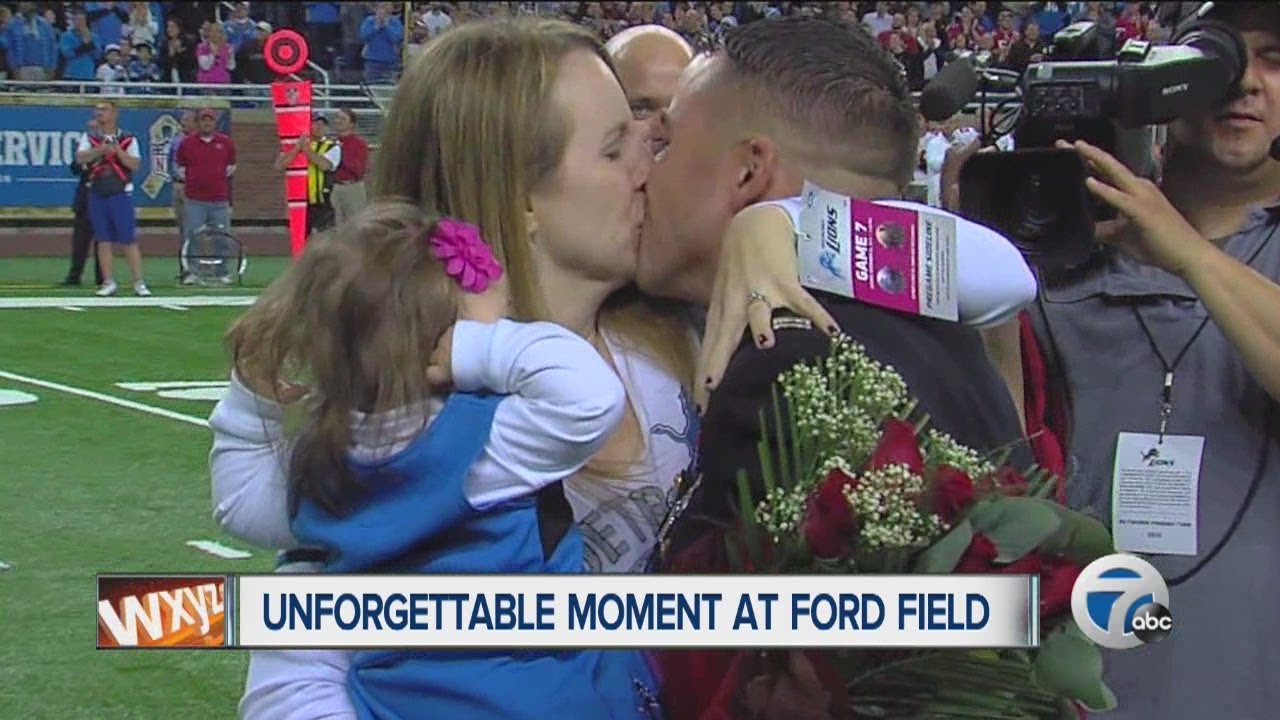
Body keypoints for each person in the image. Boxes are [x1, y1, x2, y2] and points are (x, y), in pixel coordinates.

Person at [636, 18, 1033, 718]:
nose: (644, 171)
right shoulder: (943, 330)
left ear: (748, 171)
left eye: (665, 143)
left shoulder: (784, 354)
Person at [219, 200, 663, 720]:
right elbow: (591, 397)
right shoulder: (487, 444)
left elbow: (239, 503)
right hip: (538, 693)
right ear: (447, 342)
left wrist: (251, 402)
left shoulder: (322, 464)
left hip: (403, 703)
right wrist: (482, 347)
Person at [1023, 4, 1280, 718]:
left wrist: (1186, 253)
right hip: (1075, 676)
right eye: (1214, 55)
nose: (1243, 83)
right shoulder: (1071, 237)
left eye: (1273, 59)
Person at [75, 99, 149, 297]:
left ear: (114, 114)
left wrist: (117, 151)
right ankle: (108, 281)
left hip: (120, 193)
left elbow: (135, 164)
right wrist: (101, 150)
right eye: (97, 109)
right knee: (103, 239)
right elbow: (81, 158)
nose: (100, 113)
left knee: (128, 239)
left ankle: (138, 282)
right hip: (97, 192)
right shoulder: (90, 138)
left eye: (105, 109)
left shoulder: (128, 139)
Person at [175, 107, 236, 282]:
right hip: (195, 199)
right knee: (191, 237)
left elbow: (231, 167)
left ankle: (221, 271)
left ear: (215, 122)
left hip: (219, 199)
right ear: (199, 122)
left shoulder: (226, 143)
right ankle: (191, 271)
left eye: (210, 120)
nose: (207, 123)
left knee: (221, 236)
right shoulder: (187, 144)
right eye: (203, 120)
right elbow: (181, 168)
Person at [272, 113, 340, 240]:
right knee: (300, 237)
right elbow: (279, 165)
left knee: (324, 237)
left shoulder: (332, 146)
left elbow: (325, 165)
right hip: (299, 199)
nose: (319, 127)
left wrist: (306, 150)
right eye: (315, 123)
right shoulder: (294, 143)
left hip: (321, 199)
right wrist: (297, 148)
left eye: (323, 124)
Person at [60, 117, 104, 288]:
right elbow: (75, 167)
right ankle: (74, 275)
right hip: (85, 198)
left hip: (103, 196)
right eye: (90, 128)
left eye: (95, 128)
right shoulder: (85, 147)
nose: (92, 131)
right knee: (80, 240)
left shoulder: (112, 144)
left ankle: (102, 276)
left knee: (102, 240)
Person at [329, 107, 369, 226]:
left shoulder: (359, 144)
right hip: (334, 187)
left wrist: (340, 156)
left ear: (351, 124)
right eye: (337, 117)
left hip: (353, 187)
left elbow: (359, 169)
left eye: (343, 118)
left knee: (356, 225)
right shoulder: (331, 143)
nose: (338, 121)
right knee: (335, 224)